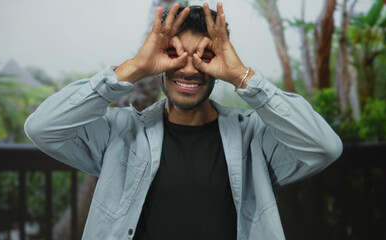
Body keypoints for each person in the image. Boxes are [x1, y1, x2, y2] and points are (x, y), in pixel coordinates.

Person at [25, 2, 342, 240]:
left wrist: (242, 76)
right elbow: (42, 127)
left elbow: (324, 148)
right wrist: (135, 66)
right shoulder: (118, 133)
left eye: (204, 57)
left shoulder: (254, 138)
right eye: (174, 54)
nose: (189, 69)